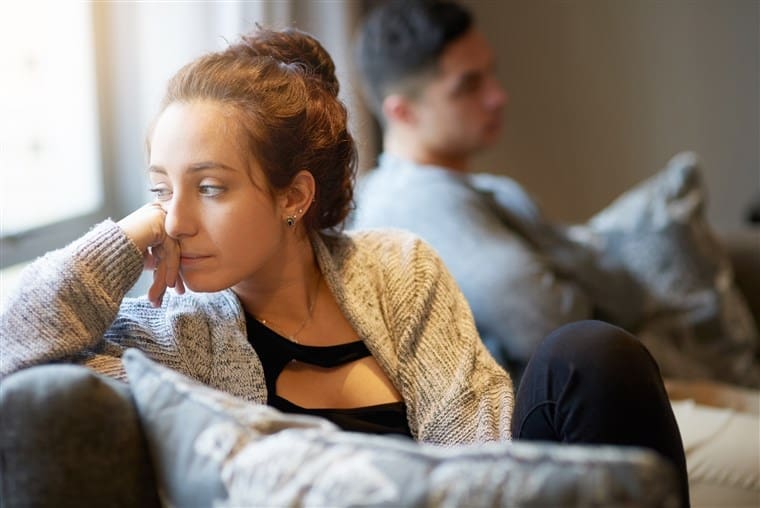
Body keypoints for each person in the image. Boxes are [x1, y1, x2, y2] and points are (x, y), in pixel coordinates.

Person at [0, 26, 689, 506]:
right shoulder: (160, 324)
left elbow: (477, 452)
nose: (174, 221)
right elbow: (14, 357)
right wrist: (125, 236)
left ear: (293, 196)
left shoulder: (397, 270)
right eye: (159, 190)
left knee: (591, 356)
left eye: (209, 187)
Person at [350, 1, 757, 505]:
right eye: (469, 86)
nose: (498, 96)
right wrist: (574, 266)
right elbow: (546, 319)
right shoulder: (411, 201)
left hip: (623, 391)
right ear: (401, 112)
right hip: (565, 423)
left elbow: (622, 290)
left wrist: (572, 272)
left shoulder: (492, 192)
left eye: (491, 75)